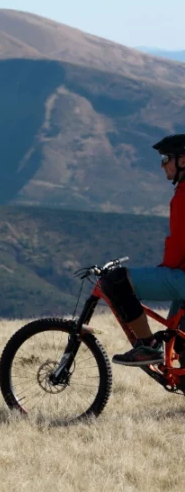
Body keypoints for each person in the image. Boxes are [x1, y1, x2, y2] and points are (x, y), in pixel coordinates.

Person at [101, 134, 185, 366]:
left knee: (115, 281)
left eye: (166, 158)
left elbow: (179, 244)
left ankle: (147, 346)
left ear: (183, 161)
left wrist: (164, 271)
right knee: (179, 344)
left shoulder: (183, 195)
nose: (162, 165)